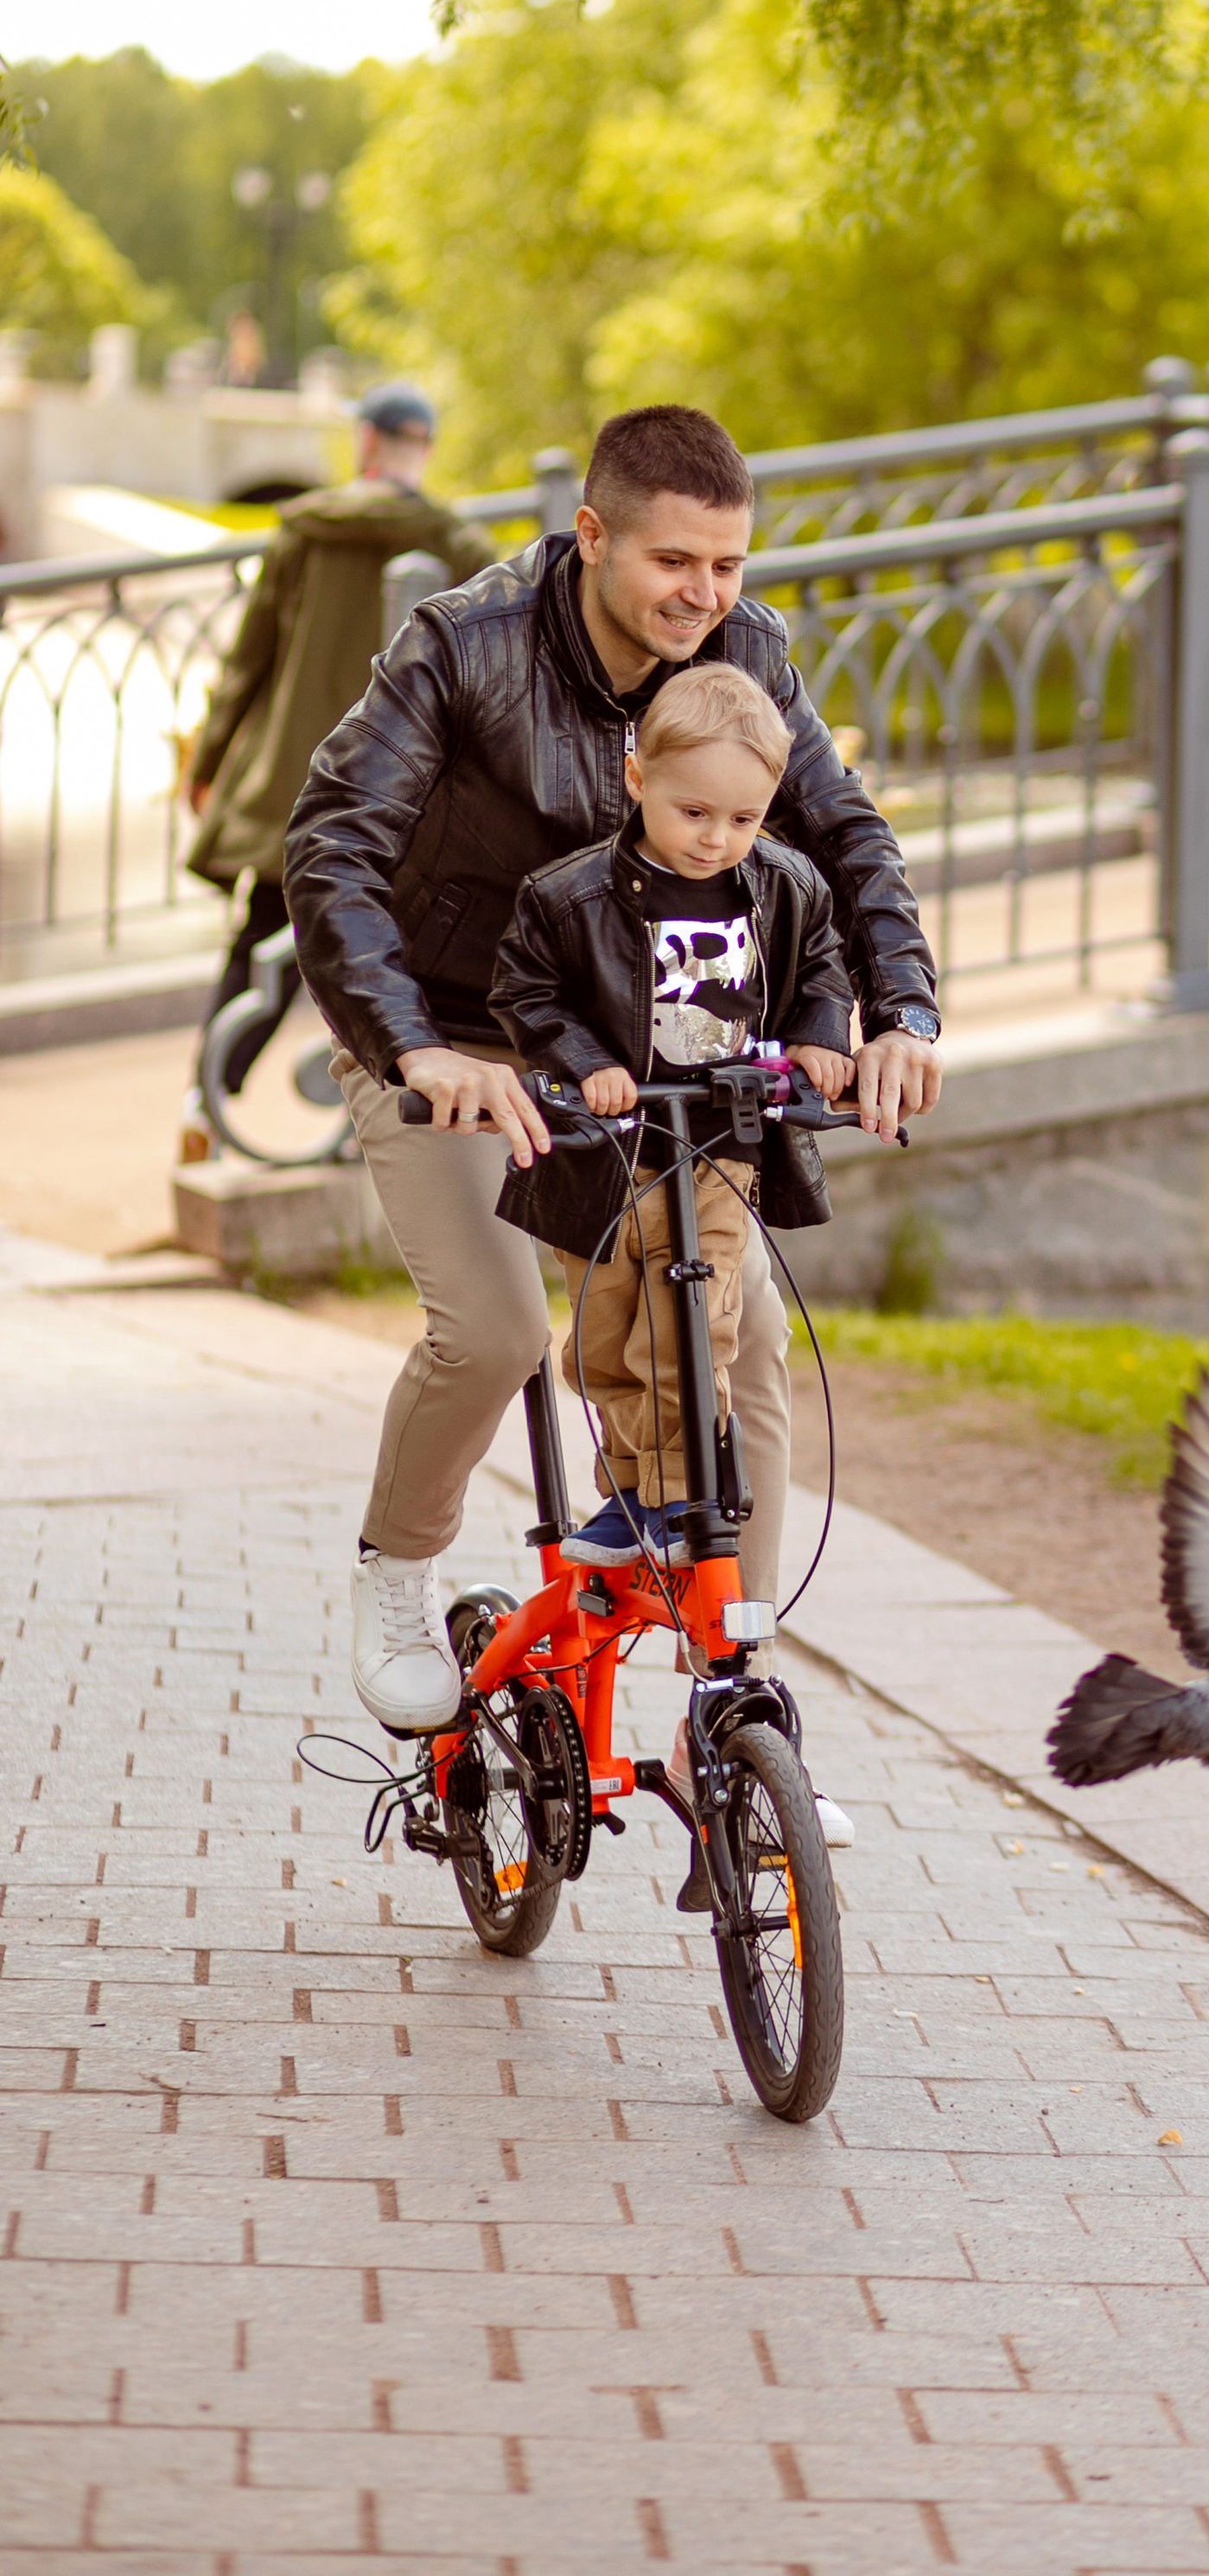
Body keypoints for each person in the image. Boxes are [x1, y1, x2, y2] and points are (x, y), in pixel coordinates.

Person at [284, 402, 942, 1739]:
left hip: (653, 1055)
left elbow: (846, 834)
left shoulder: (746, 654)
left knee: (744, 1330)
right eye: (674, 564)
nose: (707, 596)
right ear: (592, 538)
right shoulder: (465, 645)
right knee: (495, 1330)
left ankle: (733, 1697)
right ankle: (396, 1572)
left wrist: (903, 1015)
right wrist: (414, 1045)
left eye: (731, 566)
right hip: (450, 1033)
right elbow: (334, 846)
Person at [487, 660, 856, 1569]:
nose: (716, 840)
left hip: (720, 1148)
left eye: (743, 819)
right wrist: (585, 1063)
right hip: (609, 1151)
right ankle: (633, 1493)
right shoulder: (568, 897)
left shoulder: (784, 886)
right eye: (694, 814)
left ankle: (682, 1499)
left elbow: (823, 966)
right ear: (639, 779)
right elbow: (524, 990)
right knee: (605, 1344)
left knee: (692, 1326)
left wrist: (817, 1035)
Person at [183, 382, 490, 1151]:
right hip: (398, 791)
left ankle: (206, 1100)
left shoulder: (306, 532)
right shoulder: (458, 544)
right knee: (377, 946)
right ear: (425, 447)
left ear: (364, 442)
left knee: (262, 944)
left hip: (291, 782)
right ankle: (366, 1129)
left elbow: (249, 661)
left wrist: (211, 760)